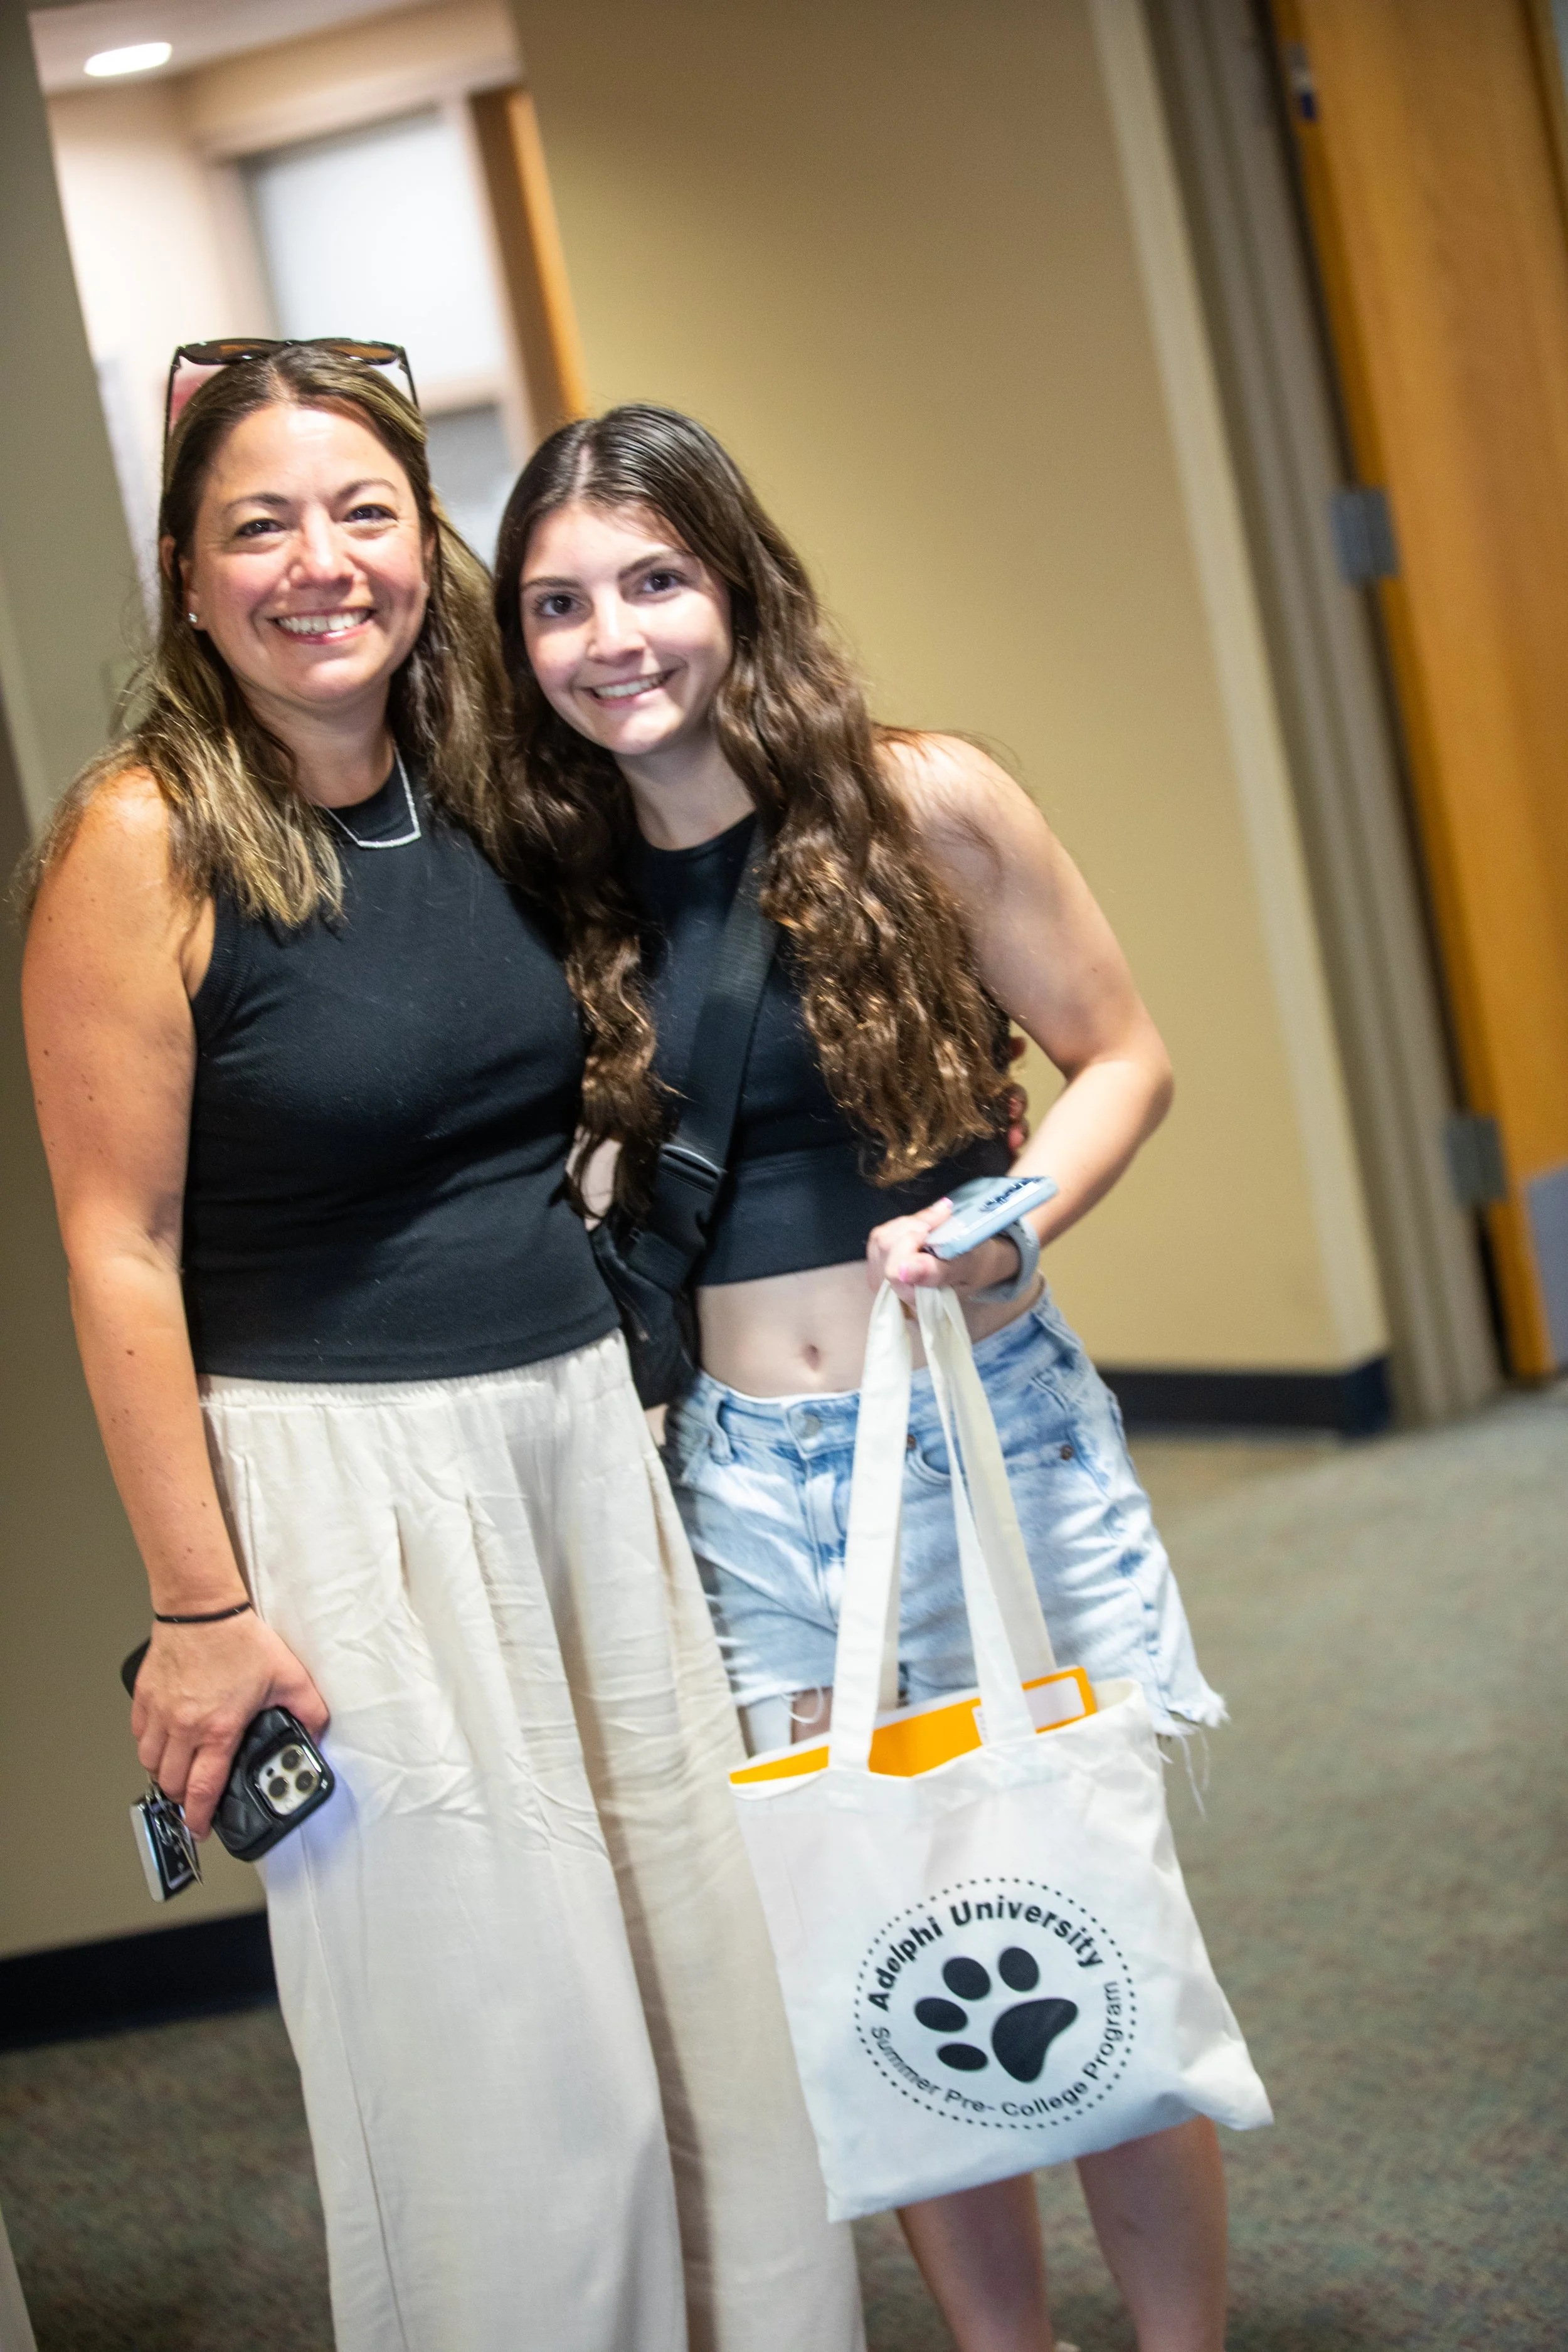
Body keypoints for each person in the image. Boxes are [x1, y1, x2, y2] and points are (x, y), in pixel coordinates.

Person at [21, 350, 863, 2352]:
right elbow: (115, 1246)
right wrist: (200, 1606)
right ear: (184, 574)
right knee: (500, 2069)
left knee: (699, 2007)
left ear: (427, 544)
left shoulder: (483, 788)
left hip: (577, 1443)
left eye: (365, 513)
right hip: (342, 1494)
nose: (322, 565)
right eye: (259, 524)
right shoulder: (144, 845)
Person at [492, 404, 1232, 2352]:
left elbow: (1123, 1055)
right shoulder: (549, 889)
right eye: (558, 603)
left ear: (735, 580)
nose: (611, 635)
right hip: (740, 1486)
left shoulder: (924, 801)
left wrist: (1007, 1221)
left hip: (988, 1427)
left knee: (1073, 1903)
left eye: (652, 579)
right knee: (889, 1936)